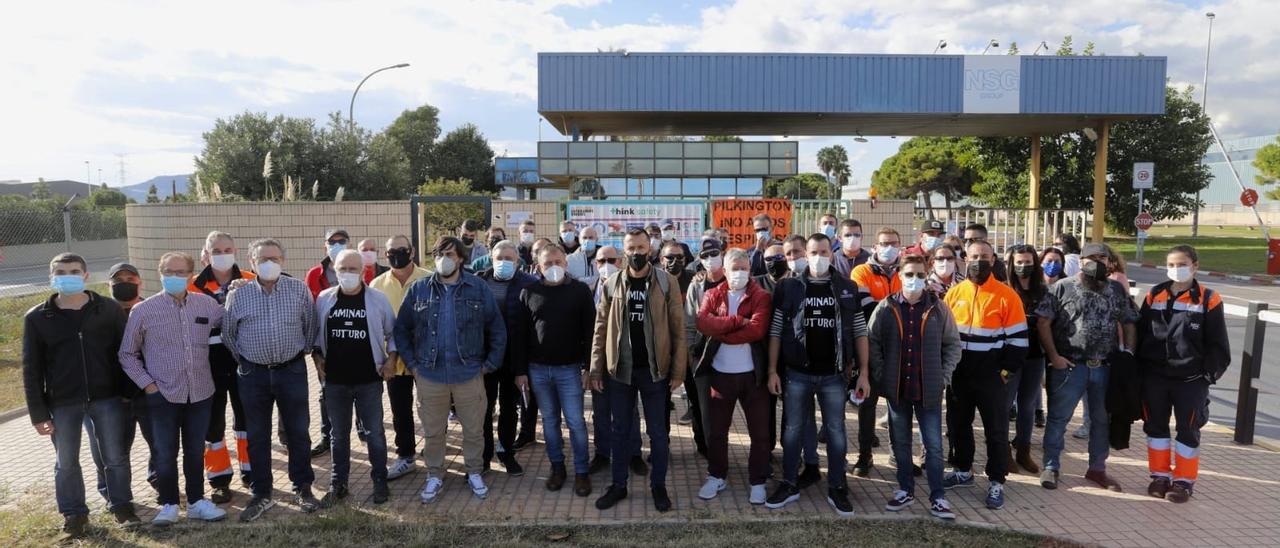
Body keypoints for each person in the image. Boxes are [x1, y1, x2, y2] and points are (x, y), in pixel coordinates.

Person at [23, 253, 138, 539]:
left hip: (107, 398)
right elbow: (31, 369)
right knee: (66, 462)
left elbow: (125, 354)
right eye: (61, 271)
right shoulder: (37, 318)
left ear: (85, 276)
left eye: (74, 270)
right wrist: (38, 414)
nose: (68, 275)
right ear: (51, 277)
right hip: (62, 403)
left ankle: (122, 506)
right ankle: (74, 514)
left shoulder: (108, 309)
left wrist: (126, 393)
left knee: (115, 456)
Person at [393, 236, 507, 504]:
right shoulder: (419, 289)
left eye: (450, 254)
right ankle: (434, 474)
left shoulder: (478, 288)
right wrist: (413, 366)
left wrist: (489, 364)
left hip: (469, 373)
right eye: (440, 254)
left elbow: (497, 329)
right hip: (430, 374)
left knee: (474, 429)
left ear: (461, 258)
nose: (445, 259)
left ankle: (474, 471)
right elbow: (401, 329)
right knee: (433, 431)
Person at [764, 233, 869, 516]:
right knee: (793, 431)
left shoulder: (847, 287)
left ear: (831, 253)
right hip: (797, 374)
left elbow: (860, 332)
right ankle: (789, 483)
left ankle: (837, 486)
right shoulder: (788, 287)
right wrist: (772, 369)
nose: (818, 256)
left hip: (834, 376)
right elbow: (775, 331)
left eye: (824, 251)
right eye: (813, 251)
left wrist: (864, 373)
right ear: (805, 254)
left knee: (835, 431)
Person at [119, 251, 228, 525]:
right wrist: (148, 385)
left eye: (181, 273)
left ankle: (196, 502)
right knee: (165, 452)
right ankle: (168, 503)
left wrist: (239, 290)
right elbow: (127, 354)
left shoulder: (207, 305)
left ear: (191, 276)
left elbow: (232, 321)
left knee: (194, 451)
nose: (175, 277)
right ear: (160, 273)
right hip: (163, 395)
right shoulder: (143, 310)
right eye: (169, 271)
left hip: (201, 392)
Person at [222, 238, 321, 522]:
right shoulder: (238, 295)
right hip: (253, 374)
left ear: (283, 261)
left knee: (298, 432)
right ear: (251, 263)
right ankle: (262, 492)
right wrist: (247, 360)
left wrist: (297, 354)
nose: (269, 264)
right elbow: (229, 334)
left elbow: (310, 325)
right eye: (263, 259)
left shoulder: (298, 289)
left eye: (274, 258)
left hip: (291, 371)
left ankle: (303, 487)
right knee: (257, 434)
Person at [590, 228, 687, 512]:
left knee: (658, 433)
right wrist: (596, 369)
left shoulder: (666, 283)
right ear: (624, 251)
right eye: (631, 248)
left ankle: (658, 485)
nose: (636, 253)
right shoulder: (611, 284)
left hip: (655, 373)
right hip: (620, 372)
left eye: (641, 247)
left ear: (651, 249)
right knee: (619, 431)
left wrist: (678, 372)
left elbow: (679, 331)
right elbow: (600, 330)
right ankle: (618, 485)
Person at [1036, 242, 1138, 492]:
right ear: (1080, 261)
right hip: (1070, 366)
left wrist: (1128, 354)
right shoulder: (1062, 287)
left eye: (1102, 258)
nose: (1096, 262)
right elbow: (1042, 322)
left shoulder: (1116, 289)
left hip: (1105, 367)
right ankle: (1051, 466)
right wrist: (1054, 356)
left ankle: (1097, 469)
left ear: (1108, 262)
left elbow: (1129, 322)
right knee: (1059, 418)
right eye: (1090, 258)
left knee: (1102, 420)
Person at [869, 254, 962, 520]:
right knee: (901, 442)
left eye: (920, 275)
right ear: (899, 275)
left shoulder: (938, 308)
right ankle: (905, 490)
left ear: (927, 275)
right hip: (897, 388)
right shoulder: (886, 307)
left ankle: (938, 496)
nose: (915, 280)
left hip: (928, 390)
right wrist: (880, 372)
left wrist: (943, 376)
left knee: (933, 445)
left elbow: (953, 345)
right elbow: (872, 341)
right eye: (909, 274)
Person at [1137, 245, 1230, 503]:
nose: (1176, 270)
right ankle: (1159, 477)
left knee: (1188, 430)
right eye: (1171, 265)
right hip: (1155, 376)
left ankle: (1183, 482)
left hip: (1191, 381)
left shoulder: (1208, 298)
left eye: (1182, 264)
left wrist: (1206, 377)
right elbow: (1142, 333)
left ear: (1195, 266)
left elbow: (1218, 346)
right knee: (1155, 427)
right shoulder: (1153, 295)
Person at [941, 239, 1027, 510]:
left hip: (991, 378)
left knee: (996, 430)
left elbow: (1019, 342)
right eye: (974, 256)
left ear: (993, 260)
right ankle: (963, 470)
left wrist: (1004, 373)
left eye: (985, 256)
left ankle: (996, 481)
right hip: (958, 376)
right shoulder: (954, 294)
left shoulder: (1007, 295)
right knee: (958, 425)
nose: (979, 261)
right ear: (965, 258)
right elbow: (943, 336)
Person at [313, 249, 397, 506]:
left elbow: (393, 334)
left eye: (353, 269)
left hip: (368, 380)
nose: (347, 274)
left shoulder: (377, 299)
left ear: (363, 271)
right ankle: (339, 484)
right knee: (339, 434)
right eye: (342, 269)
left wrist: (391, 360)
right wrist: (317, 359)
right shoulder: (324, 299)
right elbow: (316, 337)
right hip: (336, 381)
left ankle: (380, 481)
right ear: (334, 270)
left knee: (374, 434)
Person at [694, 248, 773, 504]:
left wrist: (723, 329)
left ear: (750, 270)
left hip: (753, 376)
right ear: (724, 270)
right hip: (721, 375)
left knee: (759, 433)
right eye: (733, 268)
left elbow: (757, 330)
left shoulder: (761, 296)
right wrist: (739, 320)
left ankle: (758, 481)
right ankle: (717, 475)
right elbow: (703, 323)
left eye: (743, 268)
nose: (738, 273)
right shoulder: (712, 294)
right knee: (717, 432)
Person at [520, 244, 597, 496]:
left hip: (569, 369)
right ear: (538, 267)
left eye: (557, 262)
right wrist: (520, 371)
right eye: (546, 264)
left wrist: (588, 367)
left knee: (575, 422)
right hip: (538, 369)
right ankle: (557, 467)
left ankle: (582, 472)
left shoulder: (580, 291)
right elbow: (519, 333)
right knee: (549, 421)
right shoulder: (528, 291)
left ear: (565, 263)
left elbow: (590, 331)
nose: (553, 267)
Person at [189, 231, 256, 502]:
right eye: (216, 250)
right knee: (212, 425)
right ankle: (218, 480)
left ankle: (252, 473)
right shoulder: (192, 285)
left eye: (227, 249)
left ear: (236, 251)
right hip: (206, 366)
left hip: (244, 363)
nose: (222, 254)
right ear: (205, 253)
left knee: (248, 421)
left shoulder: (251, 281)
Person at [85, 263, 157, 504]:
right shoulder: (97, 314)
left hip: (149, 393)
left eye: (130, 278)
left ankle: (159, 483)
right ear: (109, 285)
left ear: (140, 282)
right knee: (111, 451)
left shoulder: (154, 310)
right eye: (118, 280)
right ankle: (114, 496)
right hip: (113, 398)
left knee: (159, 445)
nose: (124, 282)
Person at [369, 235, 430, 482]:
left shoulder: (428, 278)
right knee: (399, 411)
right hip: (394, 361)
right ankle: (405, 456)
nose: (396, 255)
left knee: (432, 408)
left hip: (426, 358)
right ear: (386, 255)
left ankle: (436, 449)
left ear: (412, 251)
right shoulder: (376, 284)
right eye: (391, 251)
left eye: (401, 250)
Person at [474, 241, 536, 476]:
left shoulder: (529, 284)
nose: (504, 262)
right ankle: (485, 454)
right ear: (491, 257)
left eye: (509, 258)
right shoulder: (478, 282)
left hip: (514, 357)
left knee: (509, 408)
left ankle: (506, 451)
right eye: (500, 257)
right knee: (484, 408)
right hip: (485, 358)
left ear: (518, 262)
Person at [587, 244, 647, 477]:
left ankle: (634, 454)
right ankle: (602, 453)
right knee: (600, 410)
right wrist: (591, 367)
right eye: (601, 261)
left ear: (621, 262)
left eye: (612, 260)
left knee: (629, 411)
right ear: (595, 264)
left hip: (624, 362)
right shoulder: (587, 289)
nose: (606, 265)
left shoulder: (630, 286)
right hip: (598, 362)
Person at [848, 227, 904, 476]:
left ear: (900, 245)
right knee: (867, 405)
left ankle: (898, 456)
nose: (888, 247)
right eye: (883, 243)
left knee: (898, 407)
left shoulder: (907, 270)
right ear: (875, 245)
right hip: (869, 350)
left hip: (901, 352)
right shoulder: (861, 271)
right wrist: (901, 310)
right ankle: (864, 456)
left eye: (892, 242)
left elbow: (918, 302)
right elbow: (865, 307)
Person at [303, 228, 350, 458]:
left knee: (359, 388)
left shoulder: (358, 269)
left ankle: (361, 431)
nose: (337, 245)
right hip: (324, 344)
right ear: (325, 246)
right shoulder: (314, 274)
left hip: (353, 342)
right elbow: (308, 310)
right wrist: (314, 349)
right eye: (332, 241)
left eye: (342, 241)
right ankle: (326, 436)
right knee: (325, 391)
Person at [682, 238, 728, 457]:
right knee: (706, 410)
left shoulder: (735, 280)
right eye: (705, 255)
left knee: (727, 409)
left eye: (715, 253)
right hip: (703, 355)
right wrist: (692, 353)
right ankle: (713, 455)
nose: (711, 259)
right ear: (699, 260)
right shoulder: (697, 284)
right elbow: (689, 322)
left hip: (732, 355)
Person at [1003, 245, 1046, 475]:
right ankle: (1004, 453)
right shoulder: (1005, 289)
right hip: (1009, 358)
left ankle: (1023, 450)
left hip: (1035, 357)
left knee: (1027, 406)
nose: (1022, 266)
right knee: (1004, 404)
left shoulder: (1043, 291)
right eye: (1018, 262)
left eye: (1027, 261)